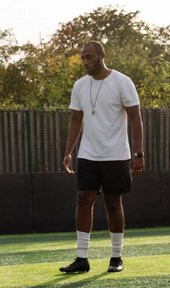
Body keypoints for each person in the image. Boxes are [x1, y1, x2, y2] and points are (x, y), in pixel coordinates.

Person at [60, 41, 144, 274]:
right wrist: (68, 151)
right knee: (83, 199)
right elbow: (76, 120)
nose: (85, 62)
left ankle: (116, 257)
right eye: (82, 58)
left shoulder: (122, 82)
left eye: (89, 57)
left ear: (102, 55)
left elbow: (136, 118)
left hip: (116, 154)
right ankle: (82, 258)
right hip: (88, 154)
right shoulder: (79, 86)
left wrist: (138, 153)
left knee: (112, 203)